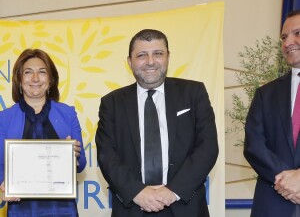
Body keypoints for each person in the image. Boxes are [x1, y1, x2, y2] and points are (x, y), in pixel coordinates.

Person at [95, 29, 218, 217]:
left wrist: (172, 191)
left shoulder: (194, 93)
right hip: (133, 208)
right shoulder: (111, 103)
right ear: (129, 62)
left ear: (168, 57)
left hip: (185, 206)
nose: (150, 62)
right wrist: (137, 192)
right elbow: (107, 155)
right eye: (142, 55)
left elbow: (208, 147)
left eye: (158, 54)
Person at [0, 49, 87, 216]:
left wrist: (73, 156)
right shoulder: (4, 118)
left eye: (42, 72)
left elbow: (81, 164)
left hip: (62, 209)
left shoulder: (68, 113)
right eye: (28, 72)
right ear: (19, 79)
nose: (35, 79)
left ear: (51, 79)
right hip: (20, 207)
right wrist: (4, 183)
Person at [244, 10, 300, 217]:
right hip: (273, 203)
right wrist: (288, 182)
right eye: (284, 37)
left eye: (297, 33)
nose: (288, 42)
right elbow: (254, 145)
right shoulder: (265, 93)